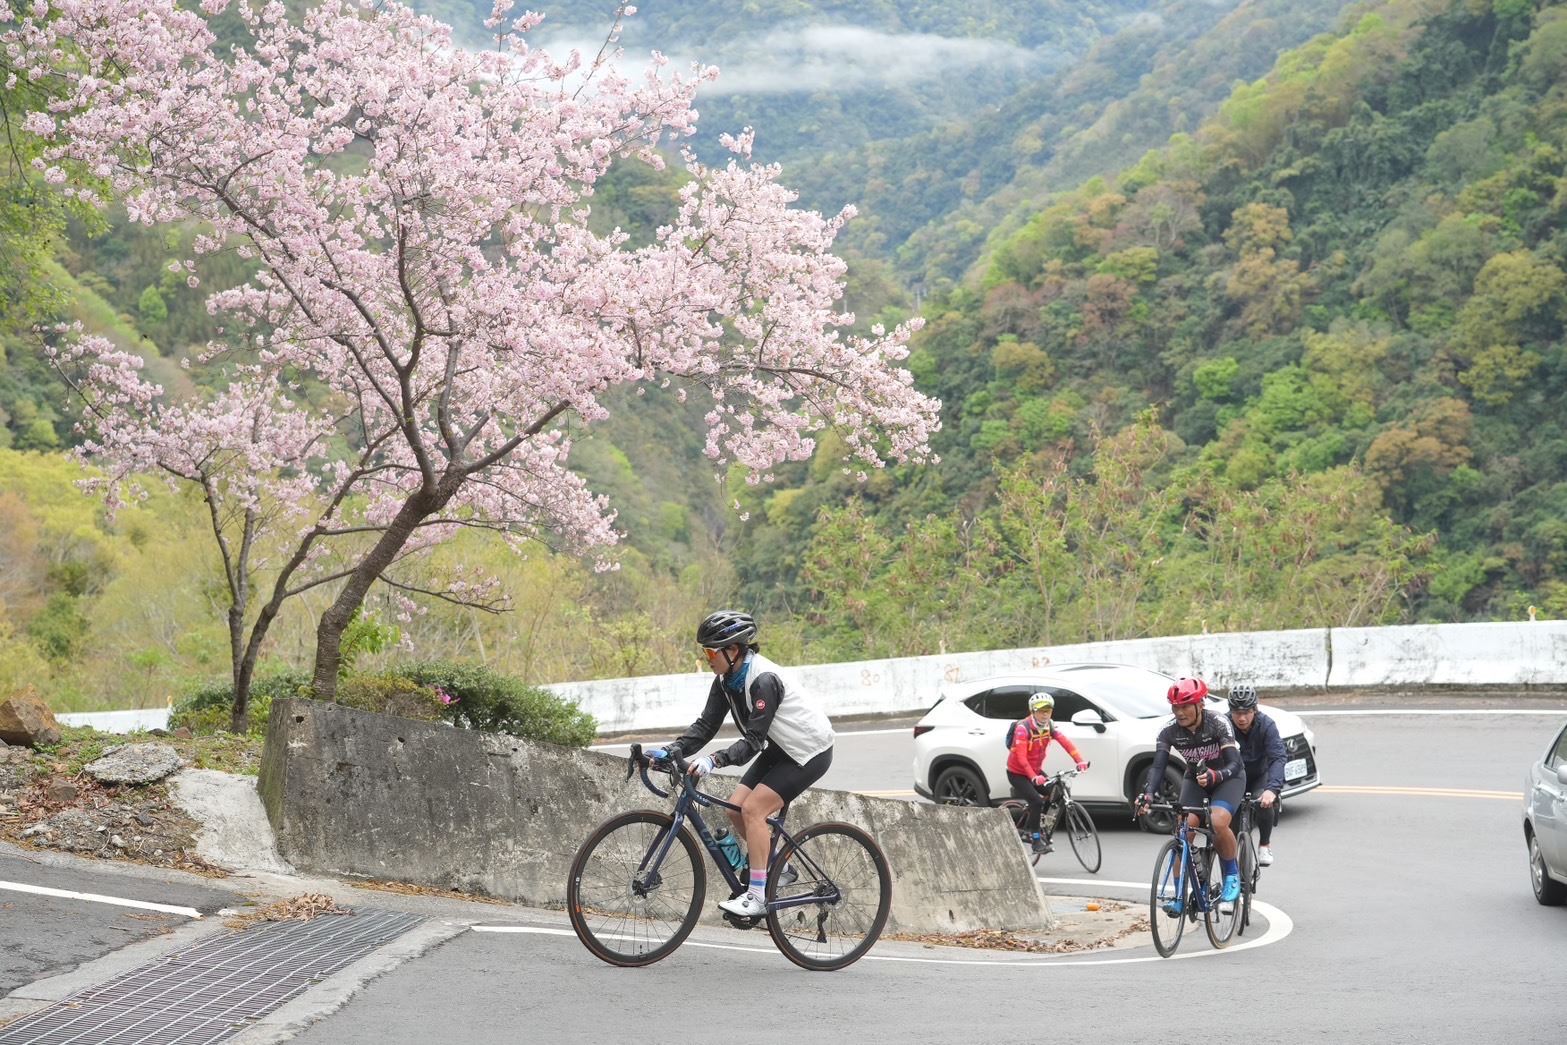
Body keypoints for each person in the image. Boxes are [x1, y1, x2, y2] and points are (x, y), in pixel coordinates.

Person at [645, 610, 834, 919]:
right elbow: (706, 726)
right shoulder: (726, 680)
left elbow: (753, 742)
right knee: (735, 809)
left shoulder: (763, 680)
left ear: (732, 650)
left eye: (709, 651)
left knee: (754, 810)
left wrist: (714, 760)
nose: (706, 657)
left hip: (809, 751)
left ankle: (757, 897)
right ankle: (781, 868)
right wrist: (668, 751)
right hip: (782, 747)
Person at [1135, 676, 1245, 909]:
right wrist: (1148, 794)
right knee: (1182, 831)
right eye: (1176, 707)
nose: (1180, 712)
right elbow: (1158, 767)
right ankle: (1179, 896)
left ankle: (1231, 875)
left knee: (1216, 822)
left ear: (1200, 705)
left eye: (1185, 706)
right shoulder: (1168, 731)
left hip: (1228, 777)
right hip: (1195, 779)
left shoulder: (1217, 723)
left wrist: (1216, 776)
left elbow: (1234, 764)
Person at [1006, 692, 1088, 855]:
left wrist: (1079, 760)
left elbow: (1066, 743)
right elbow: (1021, 758)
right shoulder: (1023, 729)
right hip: (1018, 773)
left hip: (1035, 771)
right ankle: (1035, 838)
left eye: (1048, 710)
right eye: (1041, 710)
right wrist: (1033, 777)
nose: (1045, 714)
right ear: (1032, 711)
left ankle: (1040, 823)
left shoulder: (1049, 726)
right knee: (1036, 801)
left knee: (1057, 793)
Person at [1226, 683, 1284, 867]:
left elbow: (1278, 758)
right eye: (1237, 713)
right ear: (1230, 711)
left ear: (1255, 710)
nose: (1242, 718)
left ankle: (1264, 845)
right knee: (1229, 825)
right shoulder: (1224, 725)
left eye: (1247, 712)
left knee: (1265, 803)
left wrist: (1272, 789)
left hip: (1259, 775)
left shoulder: (1267, 725)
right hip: (1234, 777)